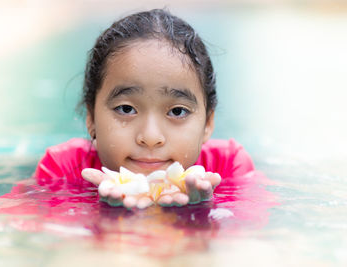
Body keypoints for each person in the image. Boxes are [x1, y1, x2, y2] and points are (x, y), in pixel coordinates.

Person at [34, 9, 254, 209]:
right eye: (126, 109)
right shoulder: (62, 171)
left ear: (207, 123)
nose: (150, 137)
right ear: (91, 117)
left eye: (177, 111)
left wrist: (202, 210)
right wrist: (104, 214)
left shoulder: (229, 167)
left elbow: (251, 241)